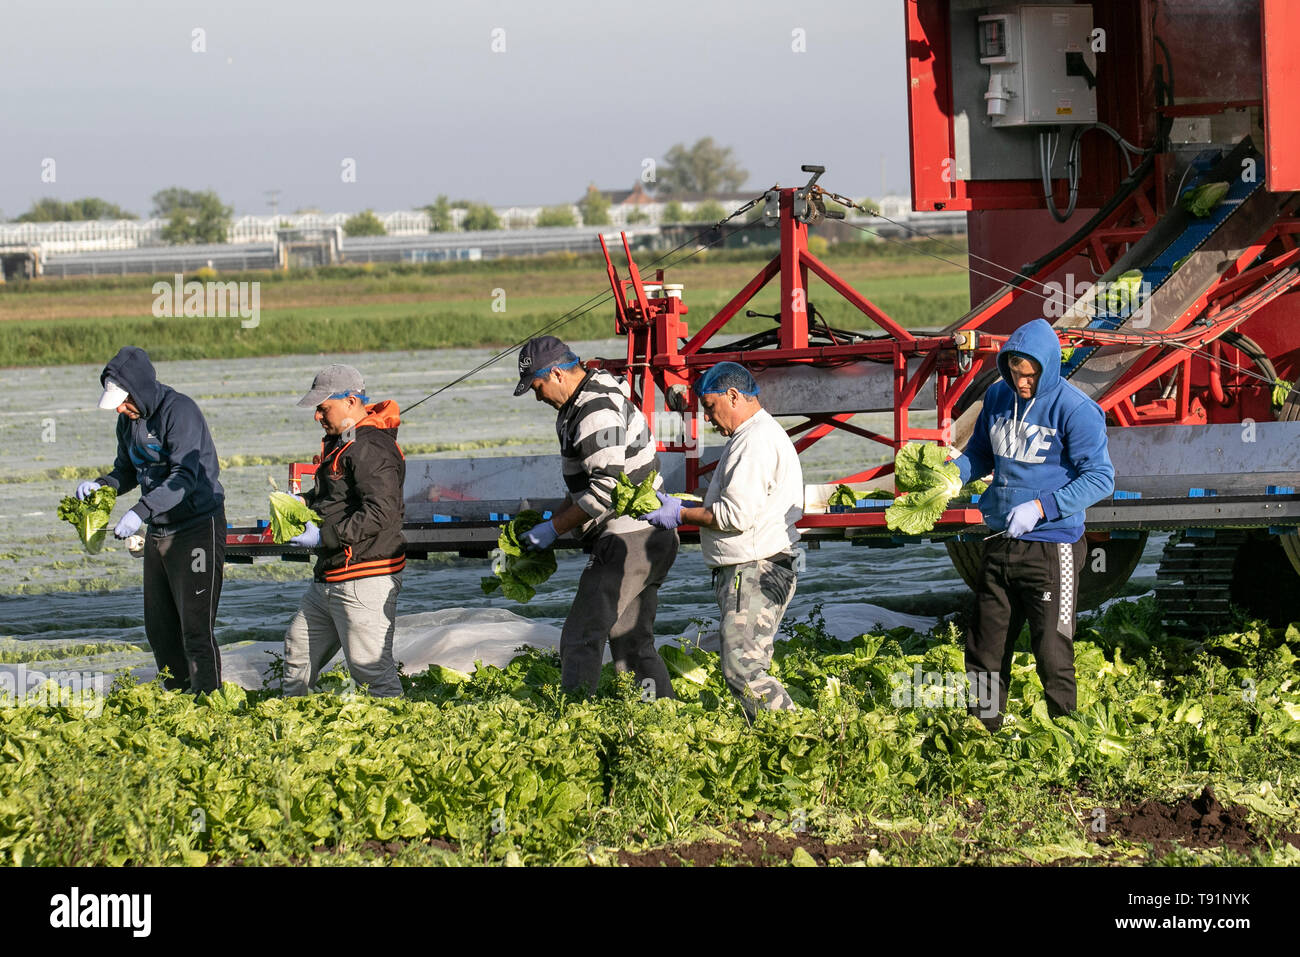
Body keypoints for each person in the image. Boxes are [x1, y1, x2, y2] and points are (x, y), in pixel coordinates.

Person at [952, 317, 1115, 732]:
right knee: (985, 647)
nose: (1022, 383)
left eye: (1030, 375)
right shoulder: (997, 397)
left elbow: (1100, 479)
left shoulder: (1077, 410)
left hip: (1051, 545)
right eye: (1014, 372)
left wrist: (1042, 509)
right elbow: (981, 454)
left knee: (1051, 649)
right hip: (1000, 538)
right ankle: (982, 733)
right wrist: (954, 474)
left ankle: (1067, 737)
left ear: (1047, 367)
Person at [514, 335, 677, 700]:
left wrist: (552, 529)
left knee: (581, 634)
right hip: (646, 536)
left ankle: (574, 717)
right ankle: (661, 714)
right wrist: (554, 519)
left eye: (537, 387)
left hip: (628, 538)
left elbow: (605, 491)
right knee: (632, 641)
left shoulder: (594, 409)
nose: (538, 397)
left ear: (556, 373)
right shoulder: (583, 400)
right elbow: (586, 487)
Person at [641, 361, 804, 718]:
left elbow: (735, 517)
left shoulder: (754, 442)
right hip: (755, 568)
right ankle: (773, 736)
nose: (710, 420)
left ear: (734, 396)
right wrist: (691, 501)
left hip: (756, 570)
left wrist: (679, 514)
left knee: (743, 670)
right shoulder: (751, 436)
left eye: (712, 408)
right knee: (745, 665)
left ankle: (800, 736)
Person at [74, 346, 226, 693]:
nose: (123, 410)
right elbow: (126, 470)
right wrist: (102, 486)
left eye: (126, 402)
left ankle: (209, 701)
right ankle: (177, 697)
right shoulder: (127, 422)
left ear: (139, 390)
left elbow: (184, 477)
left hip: (196, 526)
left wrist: (139, 511)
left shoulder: (179, 412)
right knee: (159, 628)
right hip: (160, 529)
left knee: (195, 628)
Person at [282, 364, 406, 697]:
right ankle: (292, 723)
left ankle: (399, 735)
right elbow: (335, 498)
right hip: (330, 575)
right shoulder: (345, 441)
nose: (317, 416)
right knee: (297, 648)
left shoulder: (371, 447)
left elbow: (382, 511)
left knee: (371, 671)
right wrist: (299, 505)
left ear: (351, 401)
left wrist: (323, 537)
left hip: (364, 575)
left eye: (323, 408)